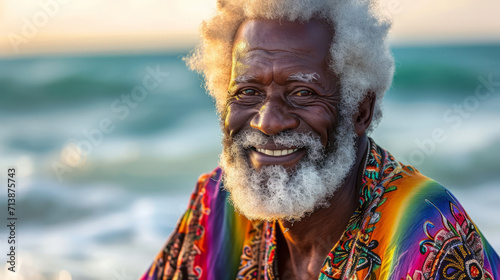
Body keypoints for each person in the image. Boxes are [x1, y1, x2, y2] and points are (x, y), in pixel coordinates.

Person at [141, 0, 500, 279]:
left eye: (302, 93)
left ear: (359, 110)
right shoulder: (217, 205)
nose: (268, 122)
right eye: (248, 91)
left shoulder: (423, 231)